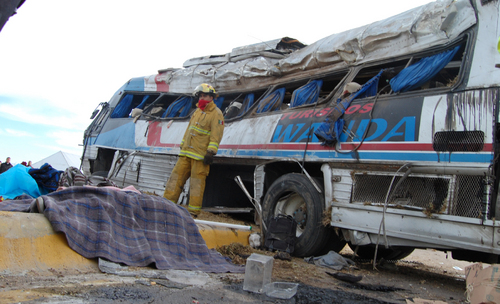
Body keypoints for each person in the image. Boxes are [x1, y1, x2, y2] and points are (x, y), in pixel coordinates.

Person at [163, 83, 225, 216]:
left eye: (204, 96)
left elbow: (216, 135)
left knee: (196, 185)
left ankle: (192, 213)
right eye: (200, 96)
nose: (202, 98)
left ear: (212, 97)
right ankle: (166, 206)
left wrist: (211, 152)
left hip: (200, 156)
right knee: (175, 180)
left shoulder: (217, 114)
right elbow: (189, 130)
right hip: (186, 154)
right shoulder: (197, 111)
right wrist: (182, 145)